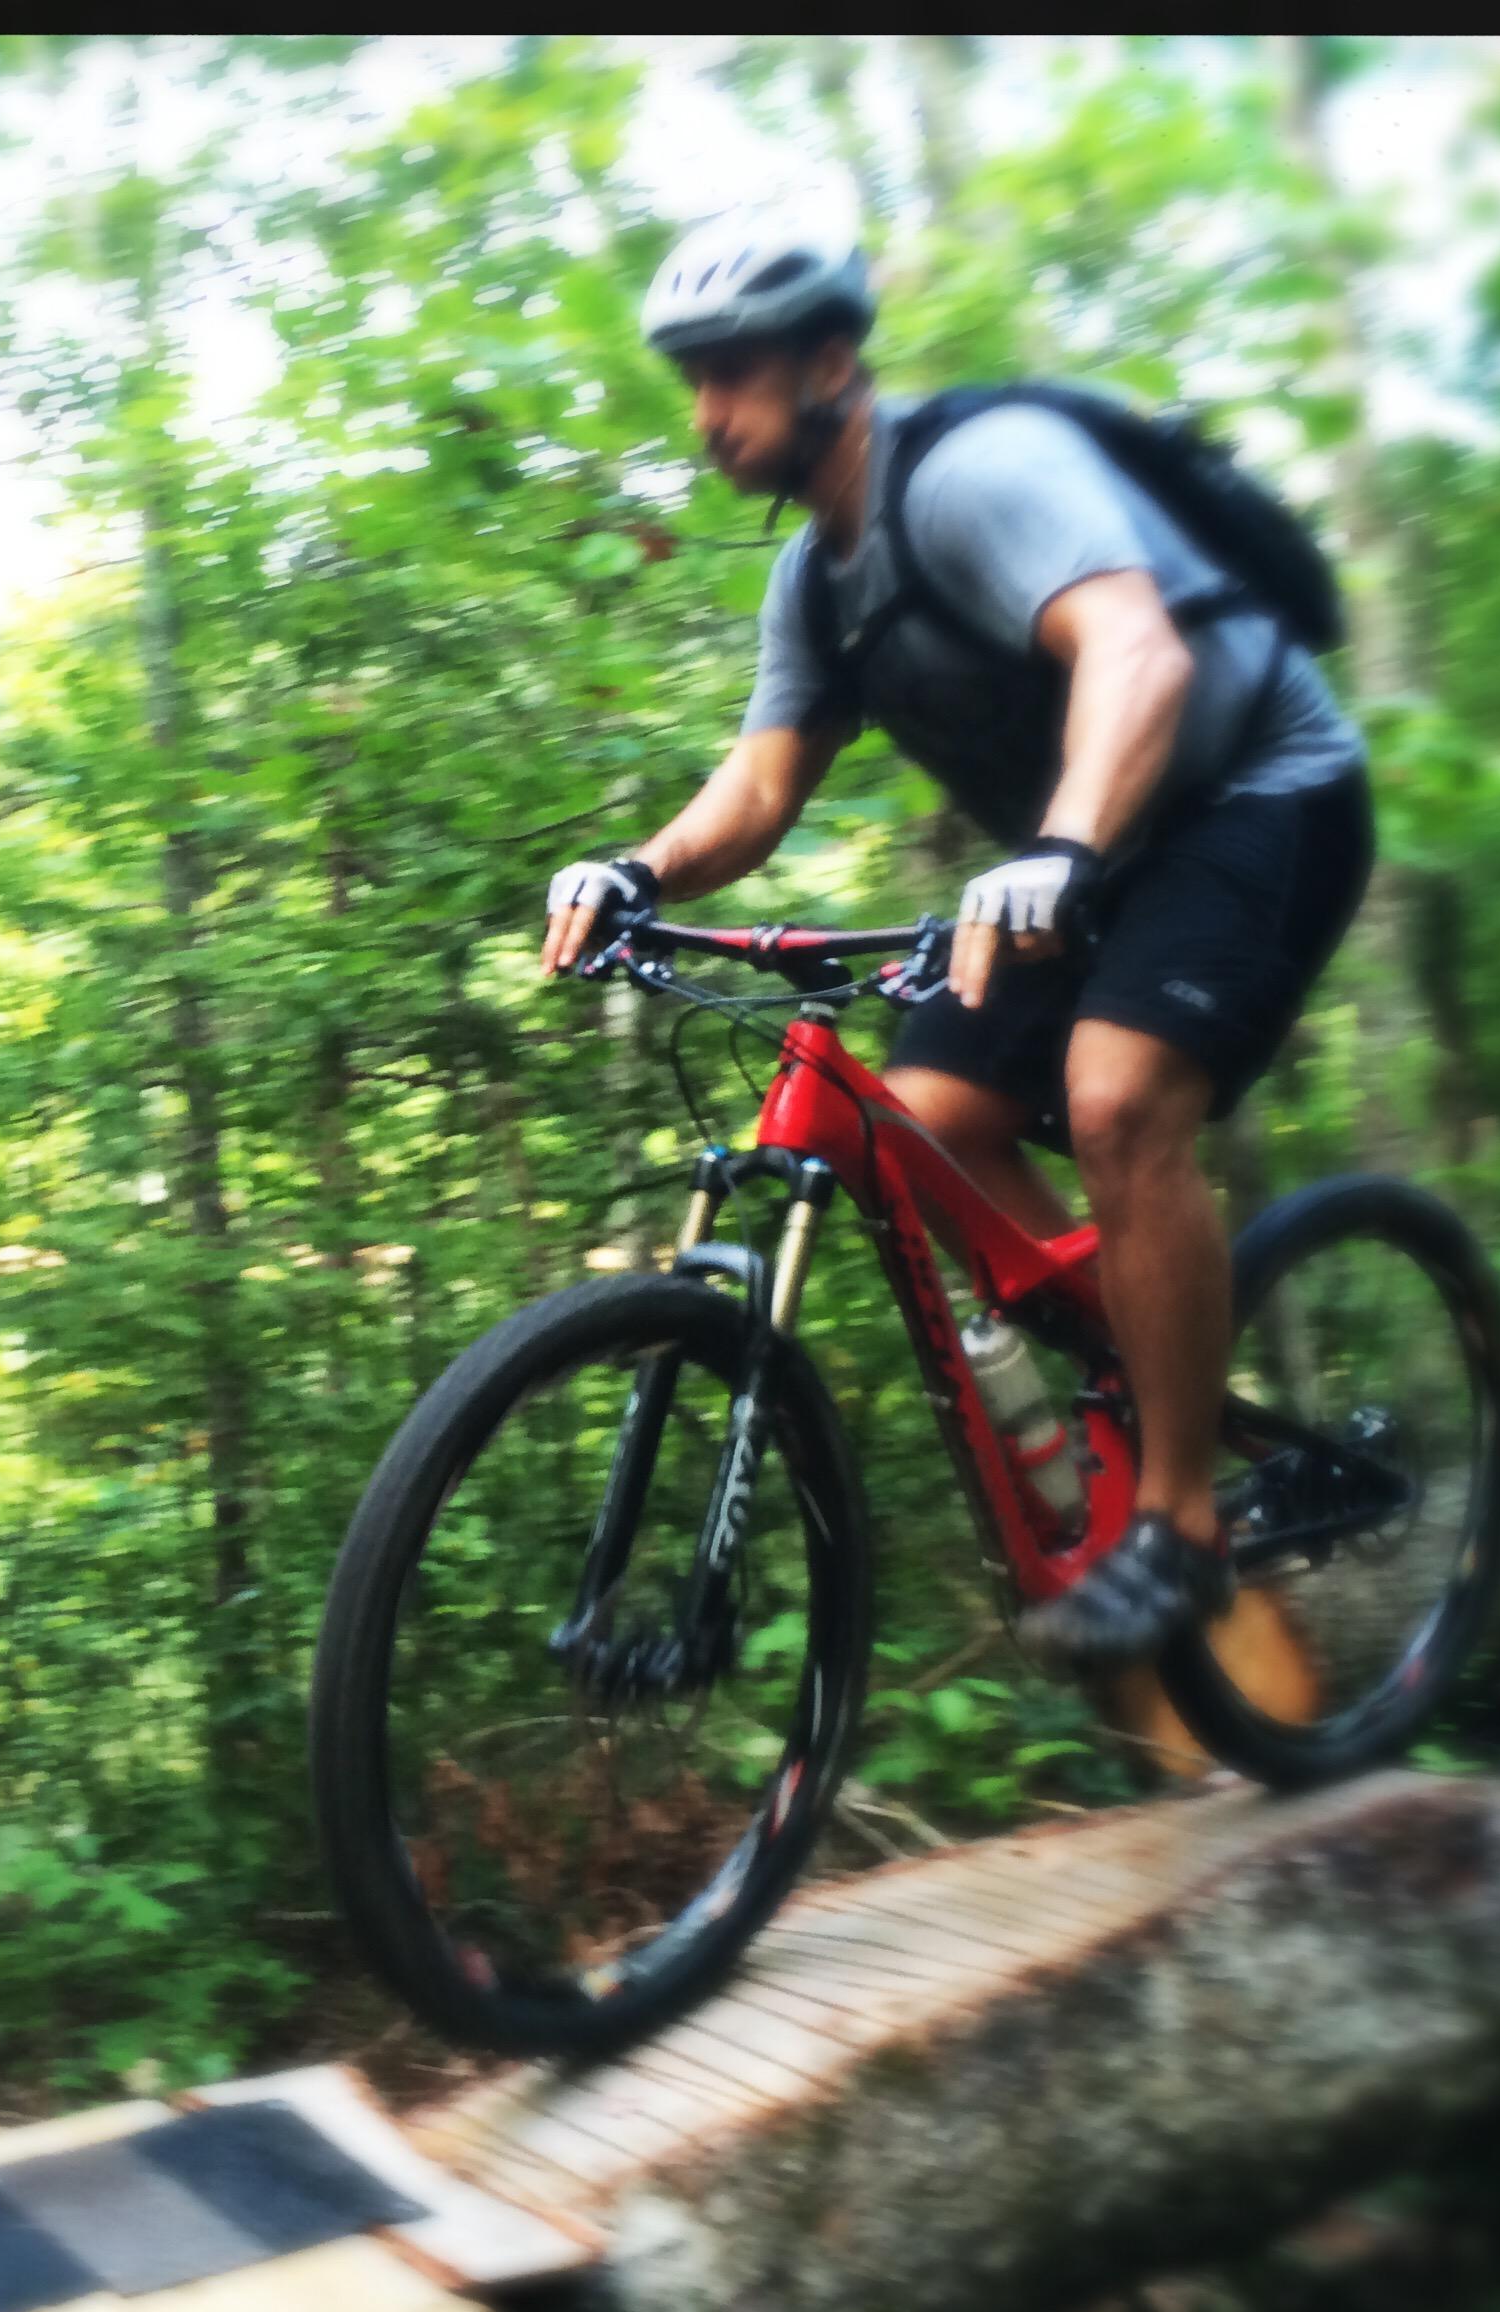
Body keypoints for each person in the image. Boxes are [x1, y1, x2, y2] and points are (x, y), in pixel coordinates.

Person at [540, 194, 1373, 1677]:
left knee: (1121, 1100)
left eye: (732, 371)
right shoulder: (816, 579)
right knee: (917, 1128)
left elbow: (1136, 648)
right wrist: (639, 867)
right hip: (1088, 849)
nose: (709, 413)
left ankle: (1179, 1529)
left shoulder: (982, 473)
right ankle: (1159, 1375)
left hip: (1260, 790)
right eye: (696, 382)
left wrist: (1057, 853)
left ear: (832, 362)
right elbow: (760, 787)